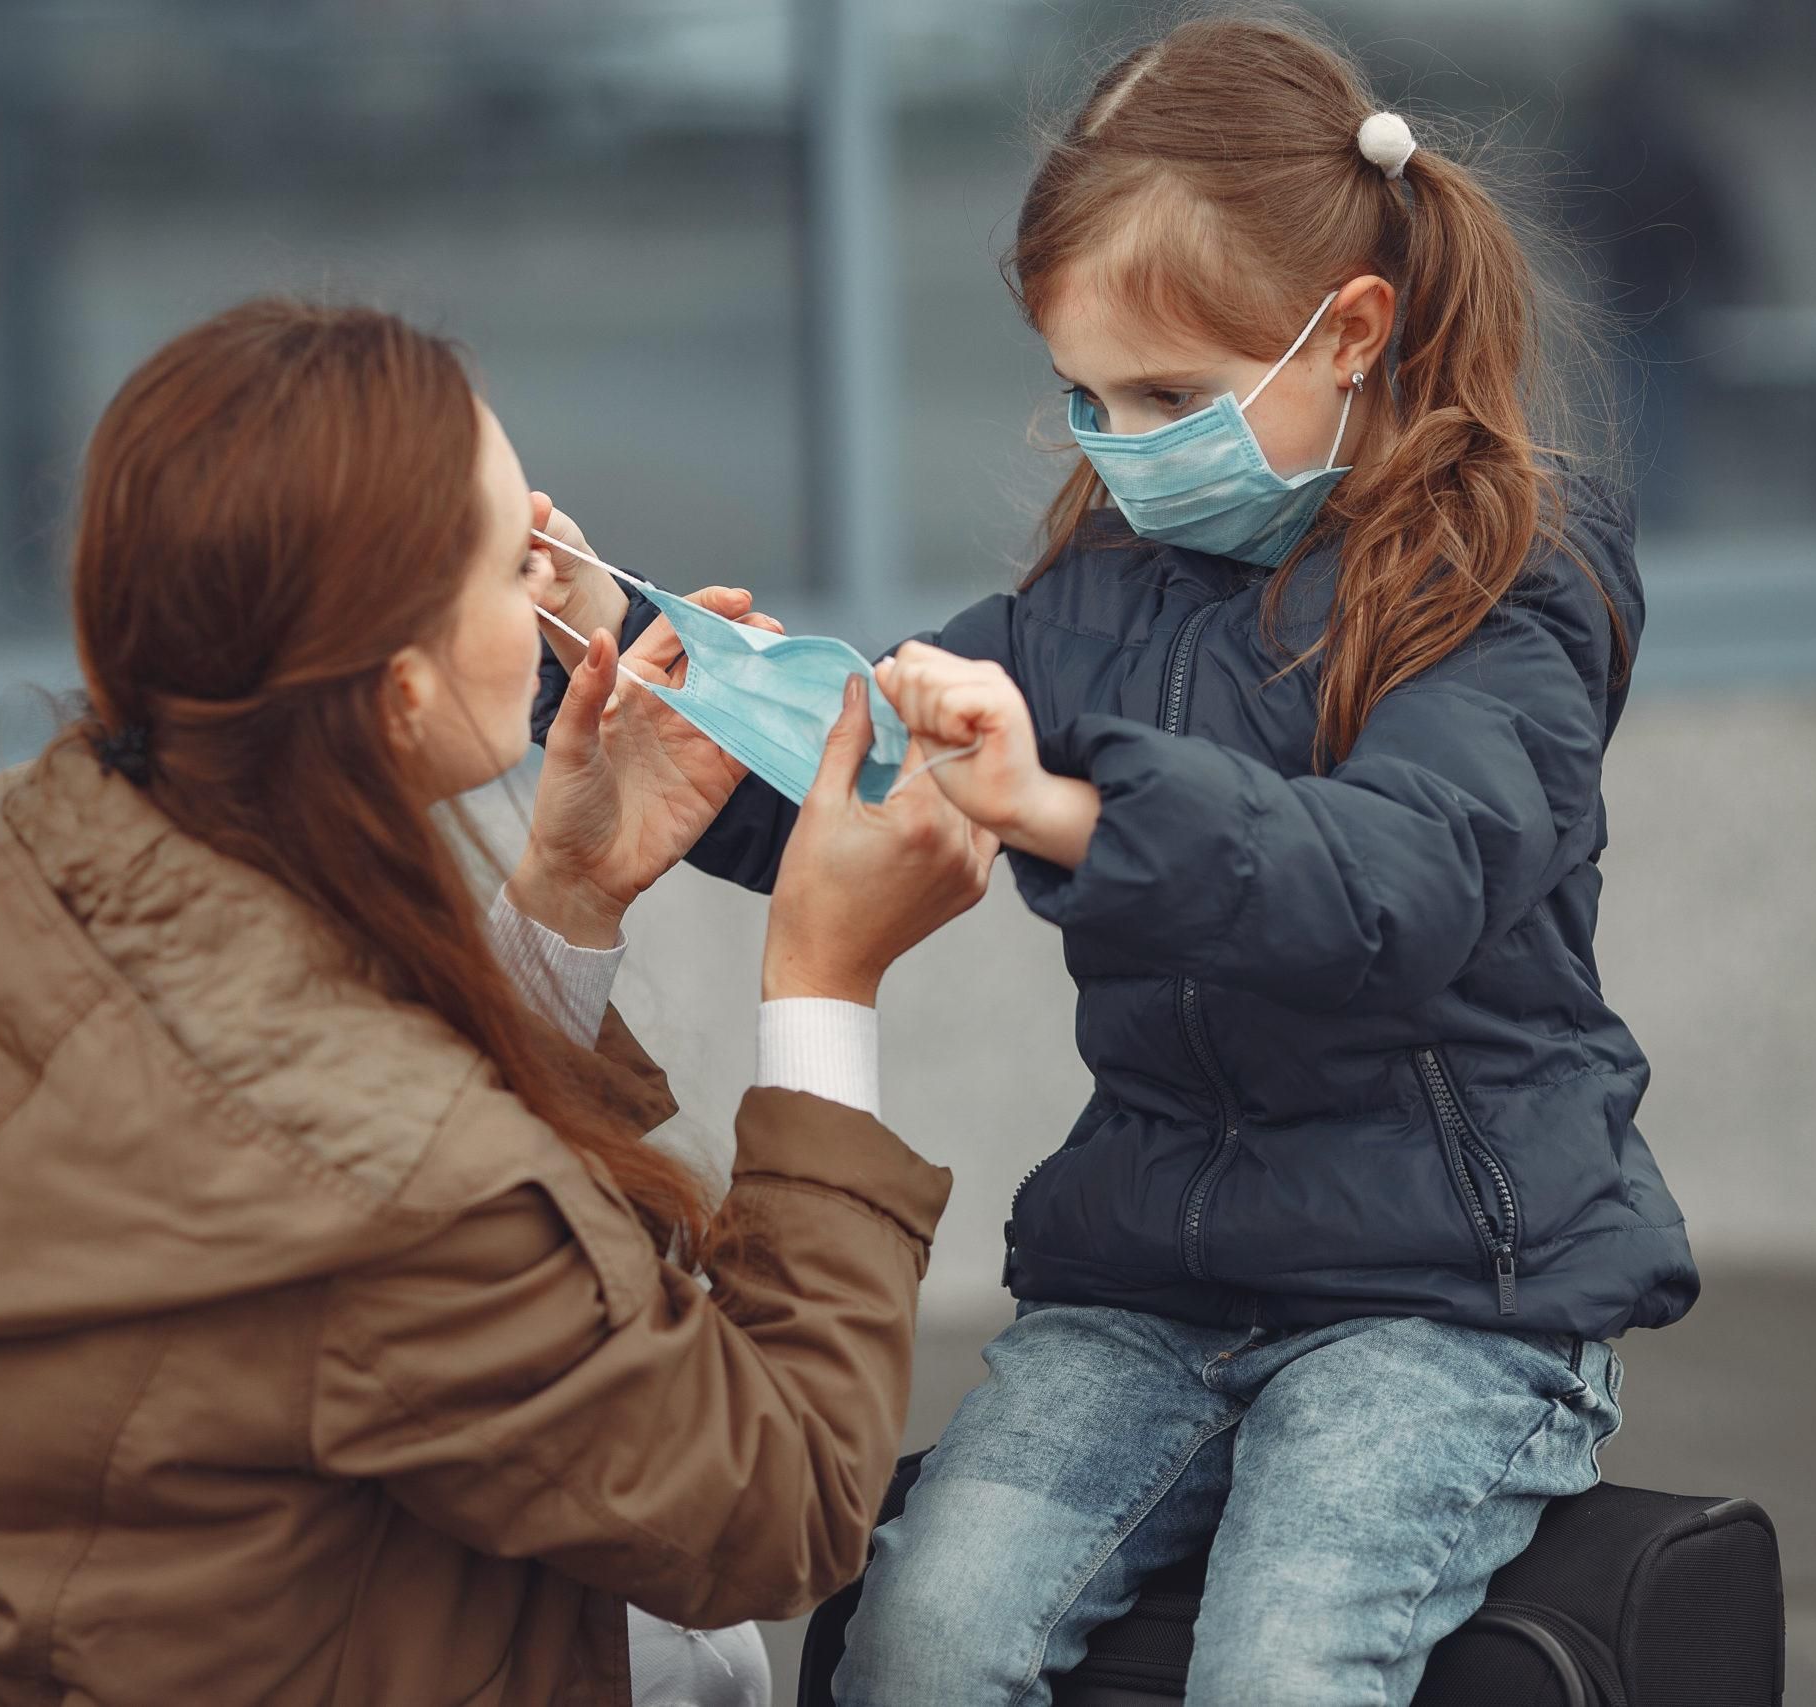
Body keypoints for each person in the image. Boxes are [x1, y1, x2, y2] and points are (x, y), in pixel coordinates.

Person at [530, 12, 1699, 1704]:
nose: (1122, 444)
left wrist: (1070, 810)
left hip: (1451, 1299)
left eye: (1171, 397)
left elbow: (1388, 887)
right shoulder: (1094, 586)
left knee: (1282, 1668)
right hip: (1151, 1281)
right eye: (1085, 396)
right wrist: (617, 641)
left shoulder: (1505, 584)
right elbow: (864, 768)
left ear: (1354, 330)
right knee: (915, 1643)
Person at [0, 299, 997, 1707]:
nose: (568, 580)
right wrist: (826, 980)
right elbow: (775, 1508)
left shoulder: (1, 852)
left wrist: (566, 898)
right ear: (397, 692)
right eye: (521, 561)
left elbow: (329, 1195)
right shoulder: (380, 1179)